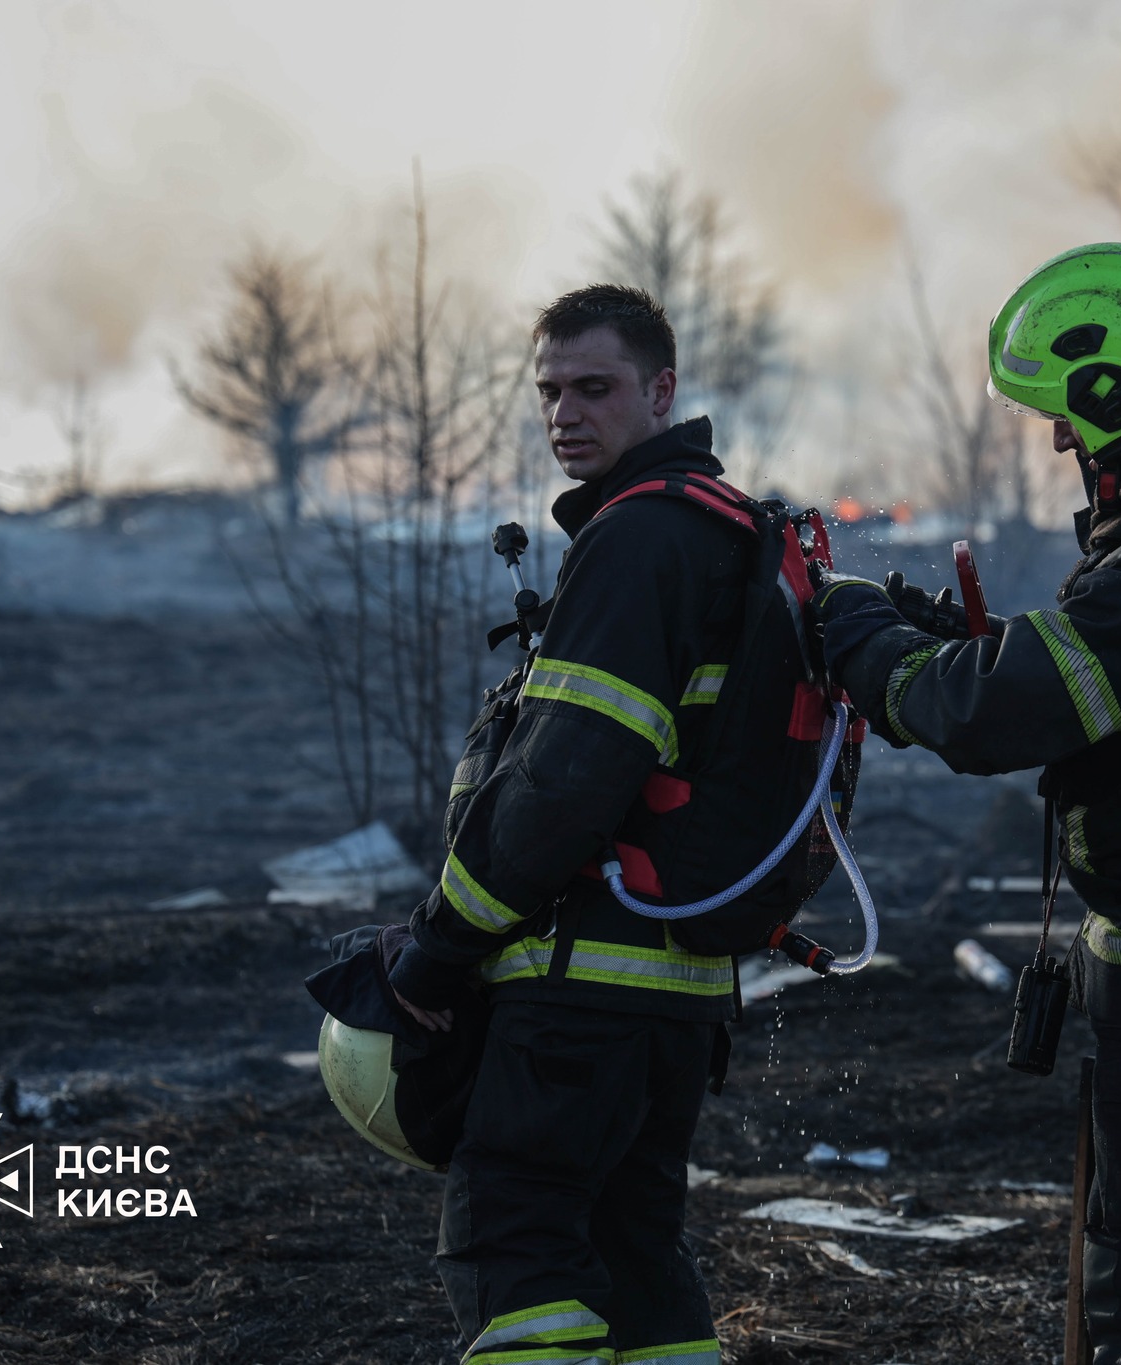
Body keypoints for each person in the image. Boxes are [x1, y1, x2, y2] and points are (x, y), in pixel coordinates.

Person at [813, 244, 1121, 1364]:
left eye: (1064, 413)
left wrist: (865, 644)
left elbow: (991, 717)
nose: (1056, 439)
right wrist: (974, 646)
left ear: (1120, 396)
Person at [386, 284, 752, 1365]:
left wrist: (441, 944)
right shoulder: (720, 528)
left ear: (661, 390)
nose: (564, 414)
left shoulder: (637, 538)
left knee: (514, 1257)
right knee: (638, 1266)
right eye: (548, 391)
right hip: (677, 991)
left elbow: (565, 779)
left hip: (579, 987)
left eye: (594, 388)